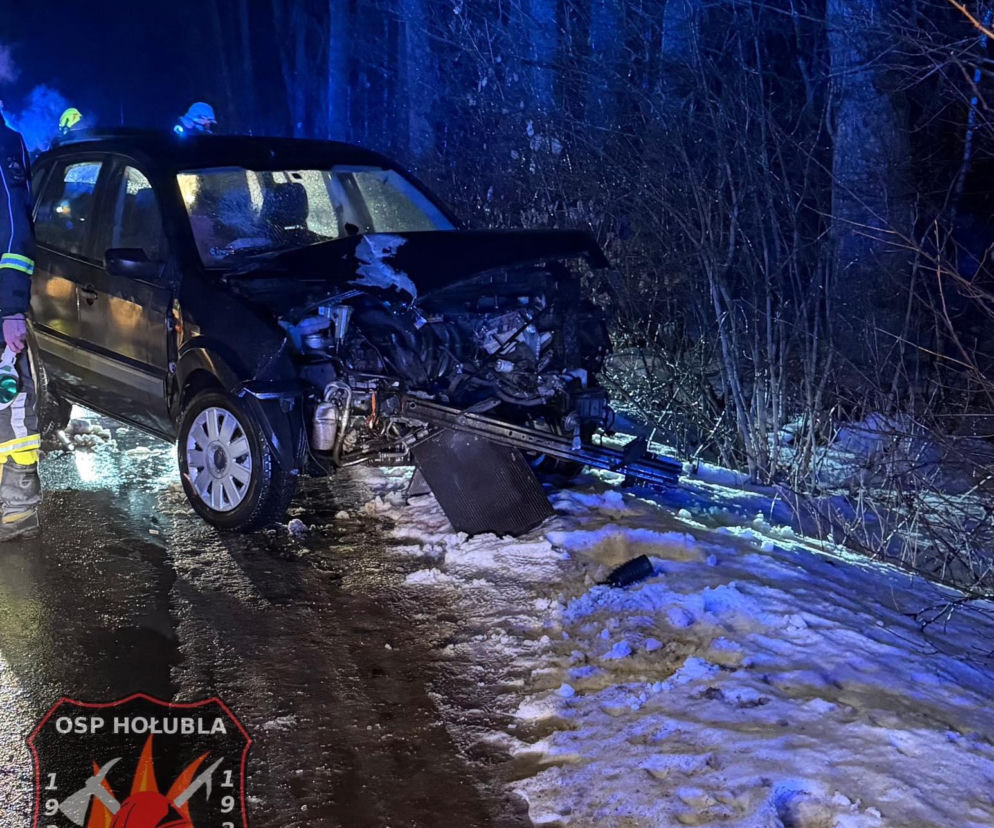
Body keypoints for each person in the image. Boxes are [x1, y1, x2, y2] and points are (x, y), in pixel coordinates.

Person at [0, 115, 42, 540]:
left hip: (0, 312)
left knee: (8, 410)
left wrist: (11, 308)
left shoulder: (3, 143)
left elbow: (16, 230)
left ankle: (17, 510)